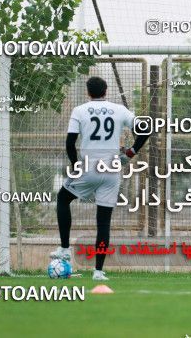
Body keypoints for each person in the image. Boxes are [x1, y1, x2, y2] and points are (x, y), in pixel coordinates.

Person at [50, 77, 149, 280]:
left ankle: (65, 248)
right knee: (103, 222)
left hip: (89, 168)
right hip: (112, 171)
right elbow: (145, 129)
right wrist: (131, 152)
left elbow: (70, 142)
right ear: (106, 90)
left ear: (88, 92)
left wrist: (75, 164)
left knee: (63, 198)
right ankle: (98, 271)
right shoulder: (120, 110)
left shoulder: (79, 110)